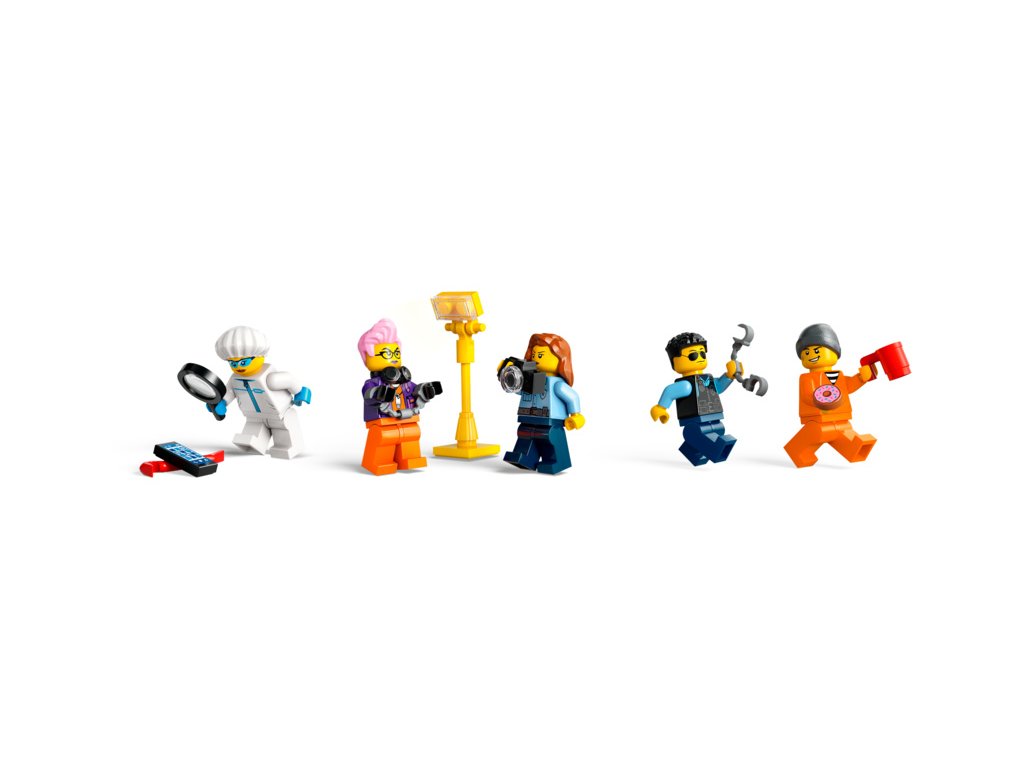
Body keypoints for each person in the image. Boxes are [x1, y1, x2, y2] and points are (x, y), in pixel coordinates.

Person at [210, 325, 311, 459]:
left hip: (281, 414)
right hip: (253, 416)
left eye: (243, 362)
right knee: (251, 437)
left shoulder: (270, 377)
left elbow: (289, 379)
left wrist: (301, 393)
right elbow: (229, 392)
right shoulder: (235, 379)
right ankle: (255, 445)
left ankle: (286, 447)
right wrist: (222, 403)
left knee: (283, 435)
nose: (238, 367)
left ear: (259, 356)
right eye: (233, 363)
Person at [783, 323, 876, 468]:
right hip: (817, 419)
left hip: (841, 418)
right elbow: (807, 395)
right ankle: (797, 451)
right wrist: (818, 401)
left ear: (834, 351)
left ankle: (856, 449)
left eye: (817, 350)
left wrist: (861, 378)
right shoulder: (807, 378)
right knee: (817, 432)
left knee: (844, 432)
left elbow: (848, 386)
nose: (811, 355)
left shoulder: (838, 375)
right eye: (806, 353)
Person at [359, 319, 442, 475]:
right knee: (385, 438)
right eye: (387, 354)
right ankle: (380, 461)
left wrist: (425, 391)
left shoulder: (405, 383)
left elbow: (414, 390)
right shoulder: (373, 383)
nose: (394, 357)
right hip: (384, 420)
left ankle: (409, 458)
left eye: (396, 353)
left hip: (408, 418)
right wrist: (379, 394)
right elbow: (368, 394)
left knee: (411, 434)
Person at [651, 331, 740, 466]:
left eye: (702, 354)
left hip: (713, 416)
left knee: (718, 431)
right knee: (700, 434)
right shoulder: (685, 385)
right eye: (693, 355)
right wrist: (661, 408)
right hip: (694, 420)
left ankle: (694, 454)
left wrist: (729, 375)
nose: (699, 358)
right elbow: (670, 392)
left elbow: (718, 387)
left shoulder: (707, 379)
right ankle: (715, 451)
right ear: (675, 361)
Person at [501, 333, 585, 475]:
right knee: (525, 433)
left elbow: (572, 397)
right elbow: (519, 391)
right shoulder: (530, 378)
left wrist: (576, 415)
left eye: (540, 355)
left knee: (550, 436)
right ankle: (525, 457)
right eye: (534, 355)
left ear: (560, 359)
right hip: (529, 416)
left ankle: (557, 461)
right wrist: (505, 375)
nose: (535, 359)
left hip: (552, 419)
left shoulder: (557, 384)